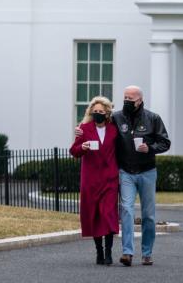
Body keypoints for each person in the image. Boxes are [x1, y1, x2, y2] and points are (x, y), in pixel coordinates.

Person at [75, 85, 170, 266]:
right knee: (126, 210)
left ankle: (147, 253)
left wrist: (150, 148)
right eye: (125, 97)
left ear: (140, 101)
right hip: (126, 172)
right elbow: (97, 127)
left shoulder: (153, 118)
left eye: (130, 99)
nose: (126, 101)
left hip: (147, 171)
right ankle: (127, 253)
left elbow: (165, 142)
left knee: (148, 214)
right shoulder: (117, 118)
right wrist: (80, 130)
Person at [70, 96, 119, 265]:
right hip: (91, 179)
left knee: (108, 215)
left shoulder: (114, 129)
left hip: (110, 179)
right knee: (95, 215)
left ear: (107, 113)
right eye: (95, 111)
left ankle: (109, 252)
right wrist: (82, 147)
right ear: (91, 112)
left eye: (101, 111)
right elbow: (73, 151)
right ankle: (99, 251)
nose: (98, 113)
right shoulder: (84, 128)